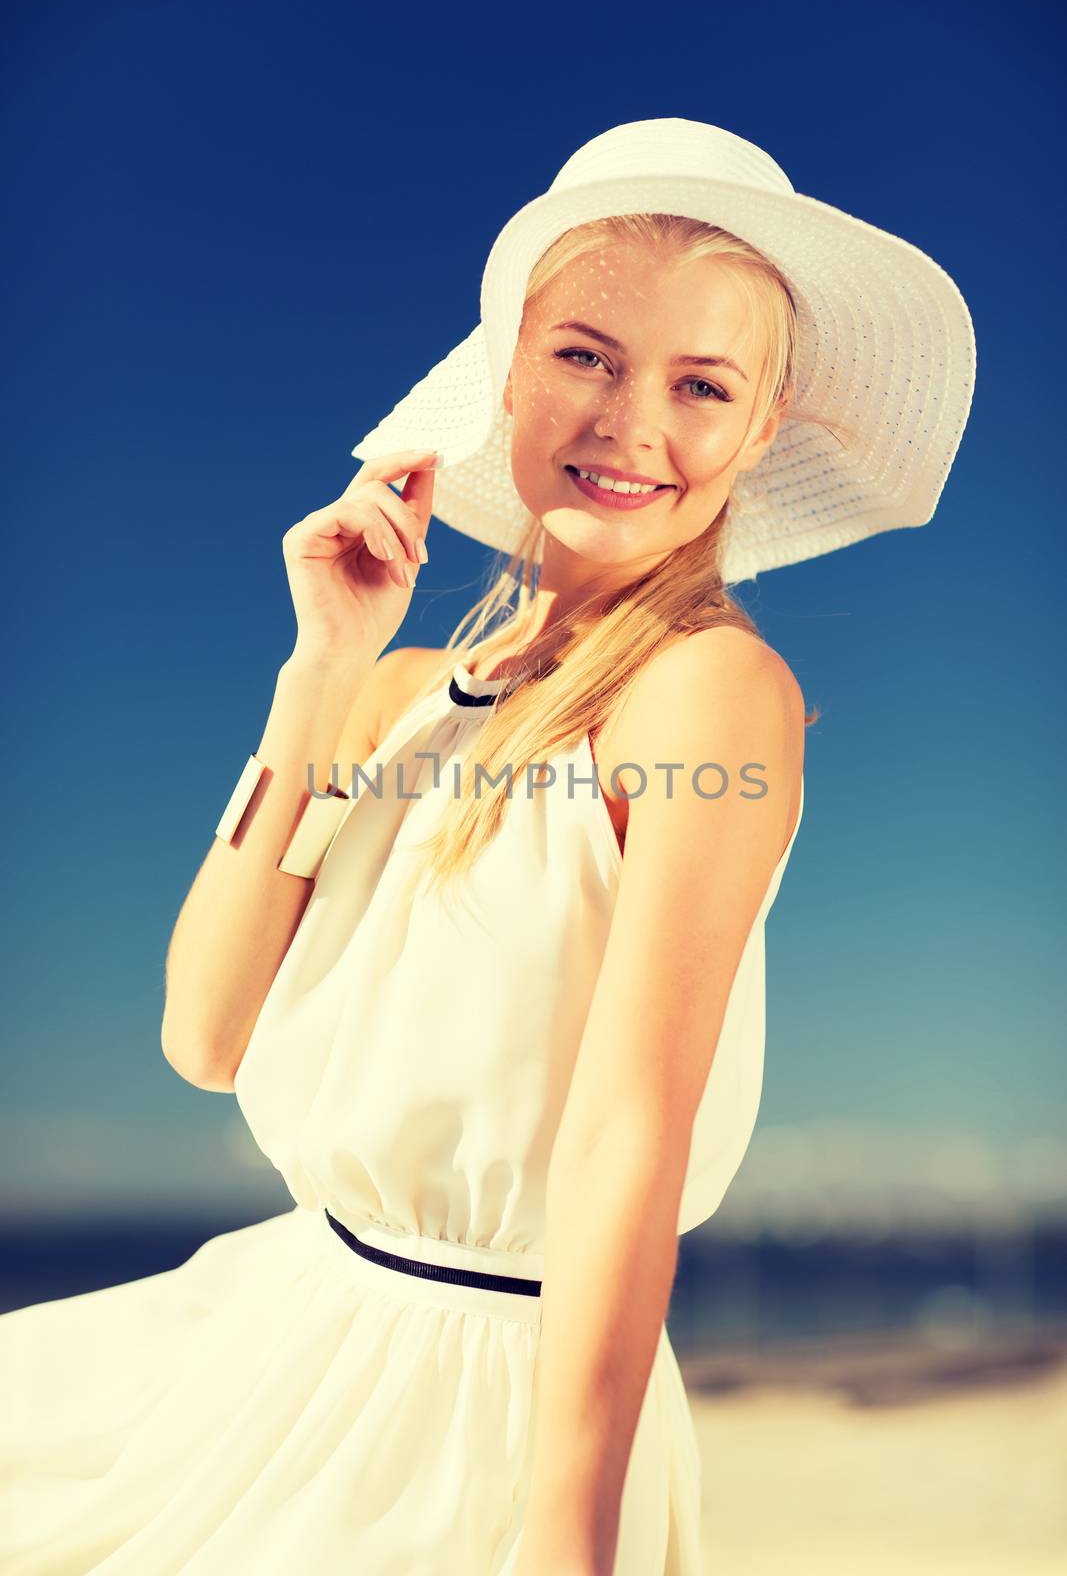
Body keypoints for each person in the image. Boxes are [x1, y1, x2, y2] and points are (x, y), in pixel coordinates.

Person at [0, 119, 975, 1575]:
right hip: (268, 1328)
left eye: (701, 385)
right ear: (507, 368)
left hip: (482, 1408)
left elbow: (625, 1136)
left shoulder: (705, 690)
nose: (631, 424)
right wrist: (321, 667)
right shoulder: (394, 697)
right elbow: (206, 1030)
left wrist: (567, 1537)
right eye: (585, 356)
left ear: (760, 429)